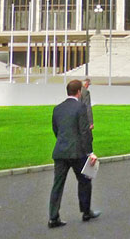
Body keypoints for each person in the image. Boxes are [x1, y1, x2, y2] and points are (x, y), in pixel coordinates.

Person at [48, 79, 100, 228]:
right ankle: (85, 212)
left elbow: (56, 129)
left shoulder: (57, 109)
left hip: (60, 151)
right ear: (79, 92)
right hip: (77, 152)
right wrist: (90, 152)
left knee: (57, 185)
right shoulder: (80, 107)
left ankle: (53, 217)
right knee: (84, 180)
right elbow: (84, 131)